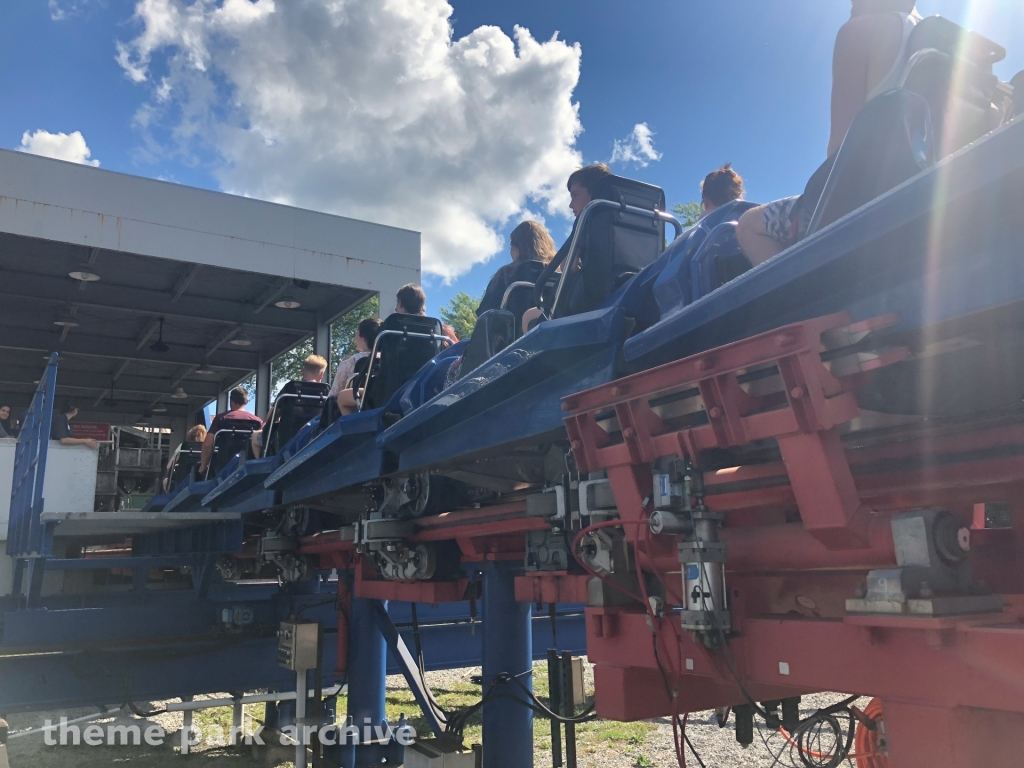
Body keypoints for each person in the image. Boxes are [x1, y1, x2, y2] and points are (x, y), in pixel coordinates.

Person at [736, 0, 921, 266]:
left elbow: (840, 152)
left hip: (866, 201)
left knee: (746, 225)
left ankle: (812, 306)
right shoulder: (951, 40)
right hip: (928, 196)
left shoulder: (859, 31)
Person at [521, 163, 613, 333]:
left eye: (575, 195)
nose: (571, 205)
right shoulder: (631, 217)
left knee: (528, 315)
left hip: (588, 299)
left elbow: (568, 267)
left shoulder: (588, 220)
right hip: (621, 290)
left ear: (595, 192)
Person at [252, 354, 328, 458]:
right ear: (321, 375)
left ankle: (261, 468)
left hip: (287, 439)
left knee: (255, 436)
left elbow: (275, 412)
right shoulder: (326, 391)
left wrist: (265, 426)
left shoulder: (291, 388)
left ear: (302, 372)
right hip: (314, 437)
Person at [476, 221, 557, 316]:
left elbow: (485, 313)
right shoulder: (560, 274)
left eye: (511, 246)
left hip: (513, 329)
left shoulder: (506, 275)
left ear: (518, 247)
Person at [199, 387, 262, 476]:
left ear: (230, 400)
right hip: (249, 462)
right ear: (246, 402)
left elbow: (208, 444)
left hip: (224, 464)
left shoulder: (221, 418)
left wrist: (203, 466)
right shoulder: (257, 421)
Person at [328, 318, 382, 399]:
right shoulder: (389, 361)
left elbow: (333, 396)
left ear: (364, 338)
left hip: (356, 407)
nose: (355, 336)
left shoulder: (349, 363)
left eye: (357, 332)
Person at [164, 424, 207, 491]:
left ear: (191, 434)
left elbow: (169, 466)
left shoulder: (183, 446)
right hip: (202, 480)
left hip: (182, 480)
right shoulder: (207, 448)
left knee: (165, 481)